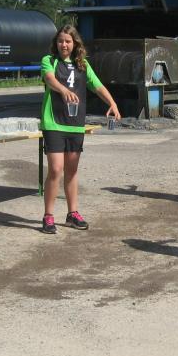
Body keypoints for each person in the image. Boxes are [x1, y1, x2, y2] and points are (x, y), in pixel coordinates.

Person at [40, 25, 120, 233]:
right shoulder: (49, 60)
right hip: (53, 122)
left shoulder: (83, 65)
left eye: (67, 41)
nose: (63, 45)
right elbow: (49, 79)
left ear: (75, 43)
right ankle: (48, 216)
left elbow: (97, 85)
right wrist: (63, 90)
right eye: (60, 41)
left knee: (72, 170)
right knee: (56, 169)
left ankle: (72, 214)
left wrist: (112, 103)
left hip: (75, 124)